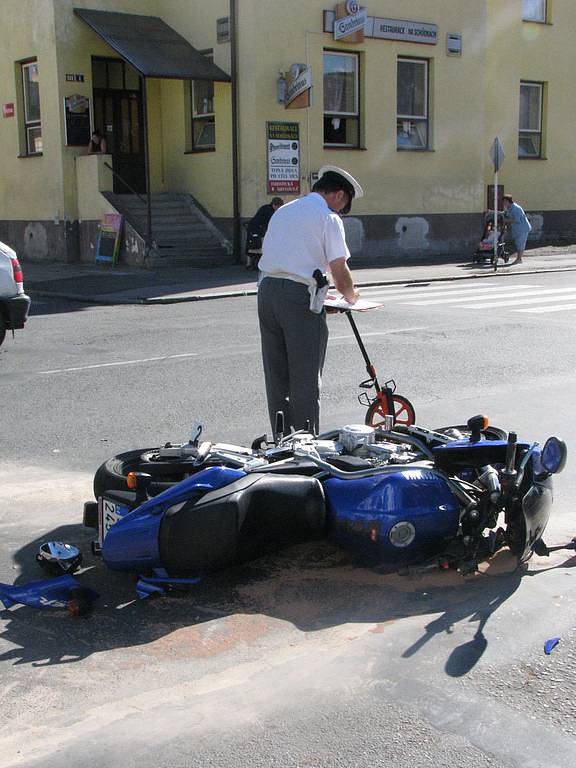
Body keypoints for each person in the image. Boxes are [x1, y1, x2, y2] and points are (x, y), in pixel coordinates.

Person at [257, 165, 362, 436]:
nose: (340, 212)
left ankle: (281, 441)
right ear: (339, 195)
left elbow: (287, 258)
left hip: (267, 291)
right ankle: (305, 445)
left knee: (277, 376)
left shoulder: (284, 211)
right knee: (304, 379)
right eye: (343, 206)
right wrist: (351, 296)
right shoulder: (328, 217)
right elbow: (339, 269)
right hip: (298, 299)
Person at [245, 197, 284, 269]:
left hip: (255, 228)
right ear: (275, 205)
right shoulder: (269, 211)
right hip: (256, 229)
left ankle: (249, 264)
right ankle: (251, 263)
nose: (279, 209)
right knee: (254, 245)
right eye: (279, 207)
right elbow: (268, 223)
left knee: (251, 246)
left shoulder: (266, 208)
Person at [502, 194, 531, 265]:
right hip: (518, 229)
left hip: (522, 228)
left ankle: (519, 259)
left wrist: (505, 220)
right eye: (503, 202)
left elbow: (516, 220)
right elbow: (507, 214)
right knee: (518, 243)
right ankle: (519, 258)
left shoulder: (516, 208)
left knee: (520, 244)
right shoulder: (510, 208)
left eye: (505, 201)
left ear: (509, 201)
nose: (504, 203)